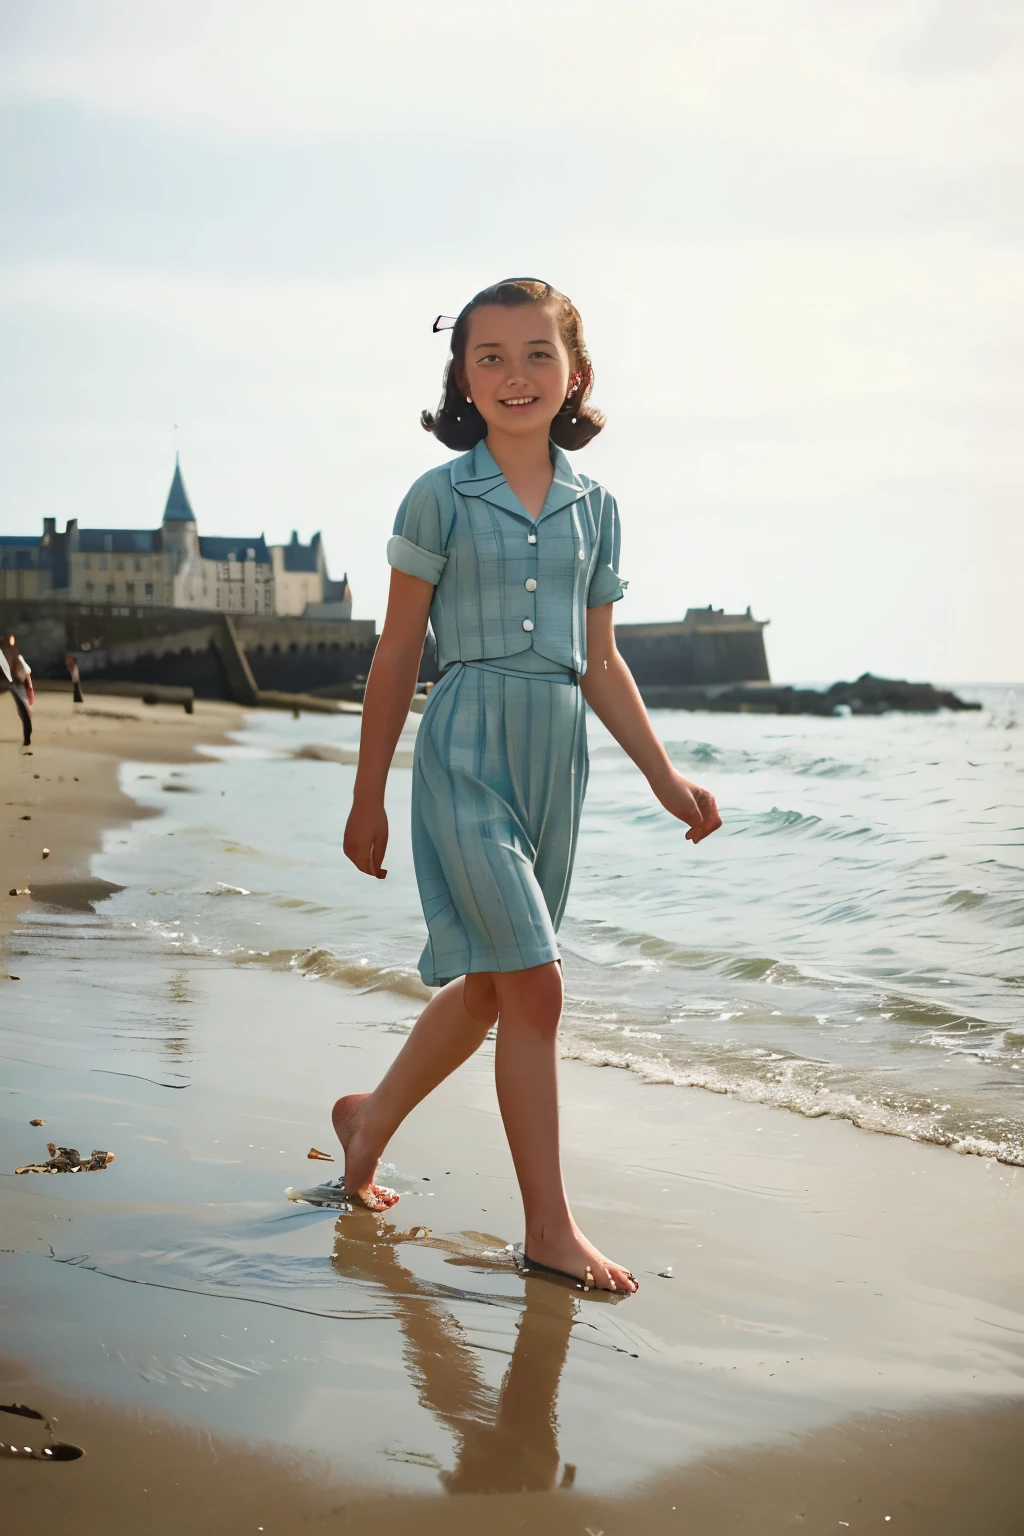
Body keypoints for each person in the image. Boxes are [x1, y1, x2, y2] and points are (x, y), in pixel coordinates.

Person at [337, 277, 721, 1292]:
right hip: (463, 746)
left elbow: (599, 660)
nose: (515, 375)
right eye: (490, 357)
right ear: (462, 377)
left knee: (492, 991)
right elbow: (396, 648)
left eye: (536, 353)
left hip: (557, 759)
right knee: (536, 986)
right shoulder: (439, 495)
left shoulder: (600, 510)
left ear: (575, 373)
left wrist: (662, 774)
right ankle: (549, 1230)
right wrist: (367, 790)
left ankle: (367, 1121)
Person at [1, 633, 33, 747]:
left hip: (13, 683)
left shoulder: (15, 653)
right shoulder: (4, 653)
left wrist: (27, 685)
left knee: (23, 709)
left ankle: (27, 736)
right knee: (22, 708)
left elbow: (24, 671)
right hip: (7, 682)